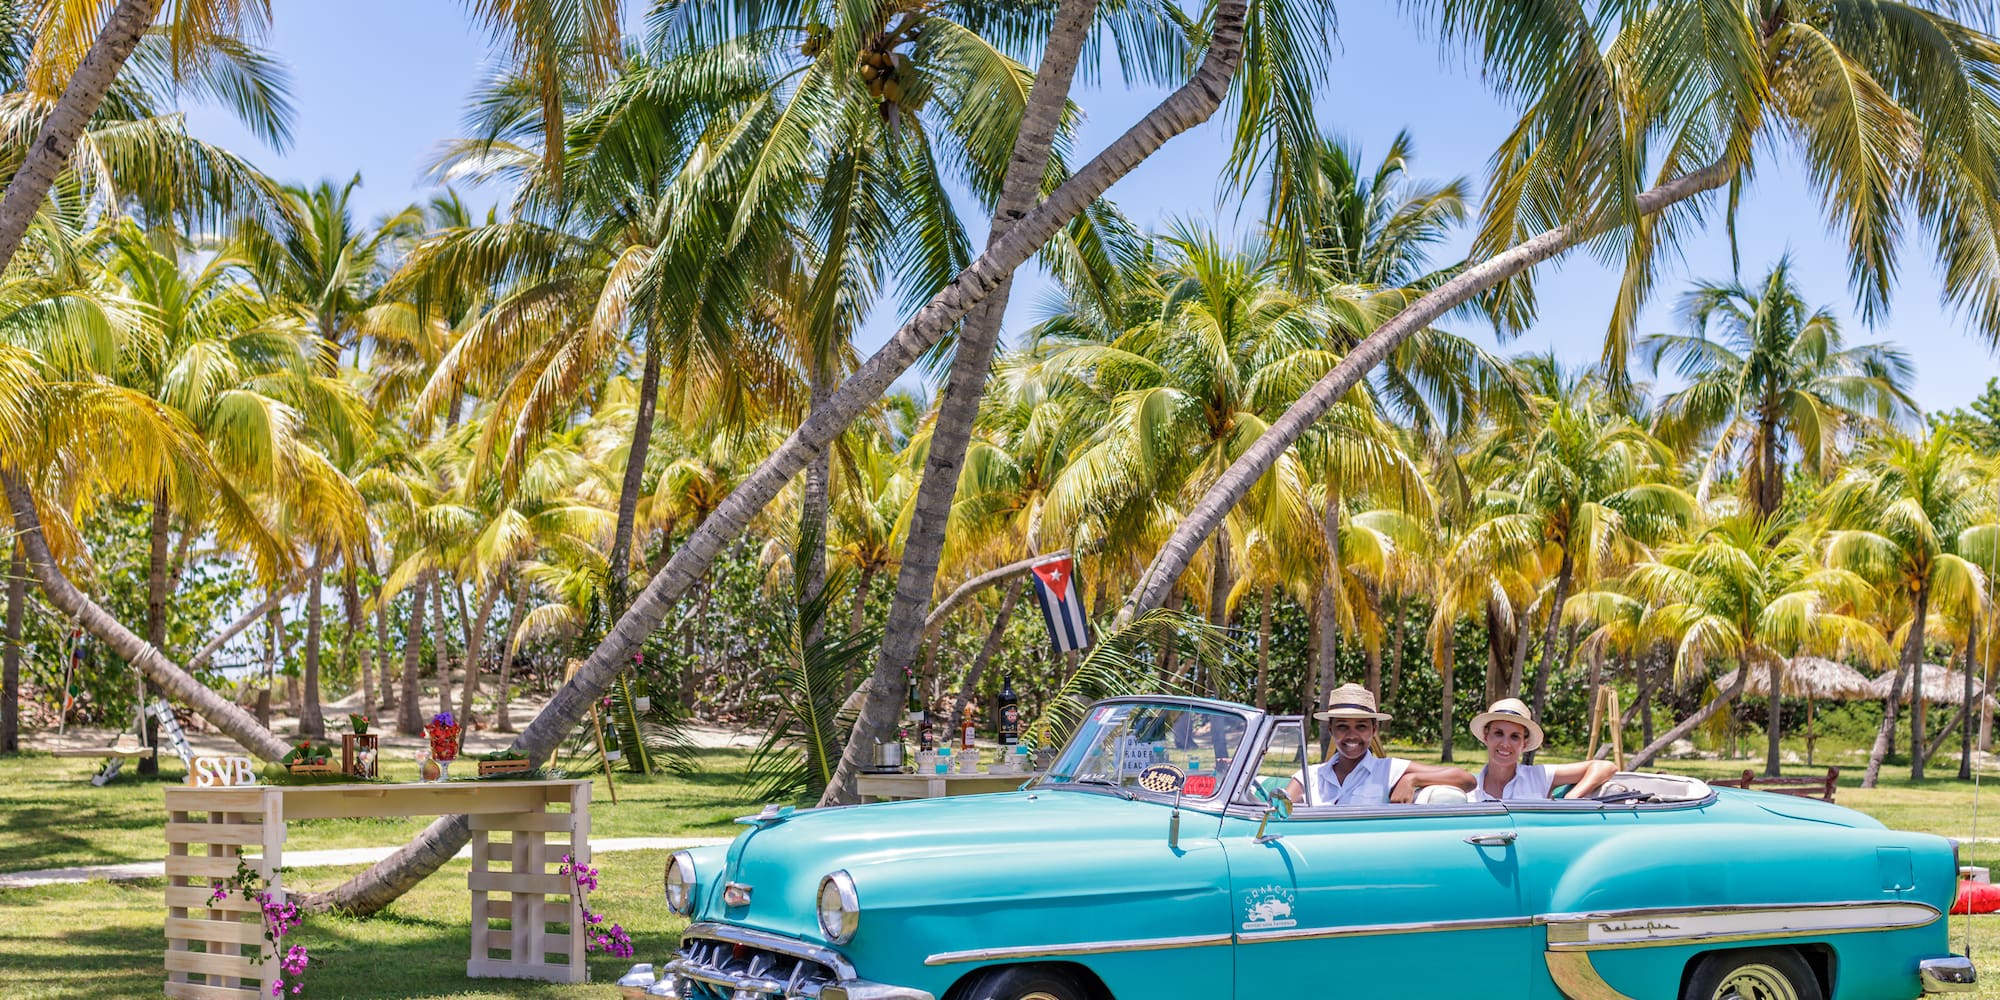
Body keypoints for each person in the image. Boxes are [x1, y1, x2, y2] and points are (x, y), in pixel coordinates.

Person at [1283, 684, 1475, 806]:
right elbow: (1277, 812)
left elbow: (1467, 779)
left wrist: (1413, 779)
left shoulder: (1388, 769)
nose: (1352, 735)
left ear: (1374, 729)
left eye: (1361, 726)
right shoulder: (1310, 776)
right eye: (1342, 726)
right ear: (1331, 730)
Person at [1468, 698, 1616, 801]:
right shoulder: (1468, 788)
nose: (1505, 744)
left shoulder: (1539, 776)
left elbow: (1605, 767)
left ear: (1524, 744)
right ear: (1486, 736)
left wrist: (1572, 798)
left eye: (1515, 736)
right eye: (1498, 733)